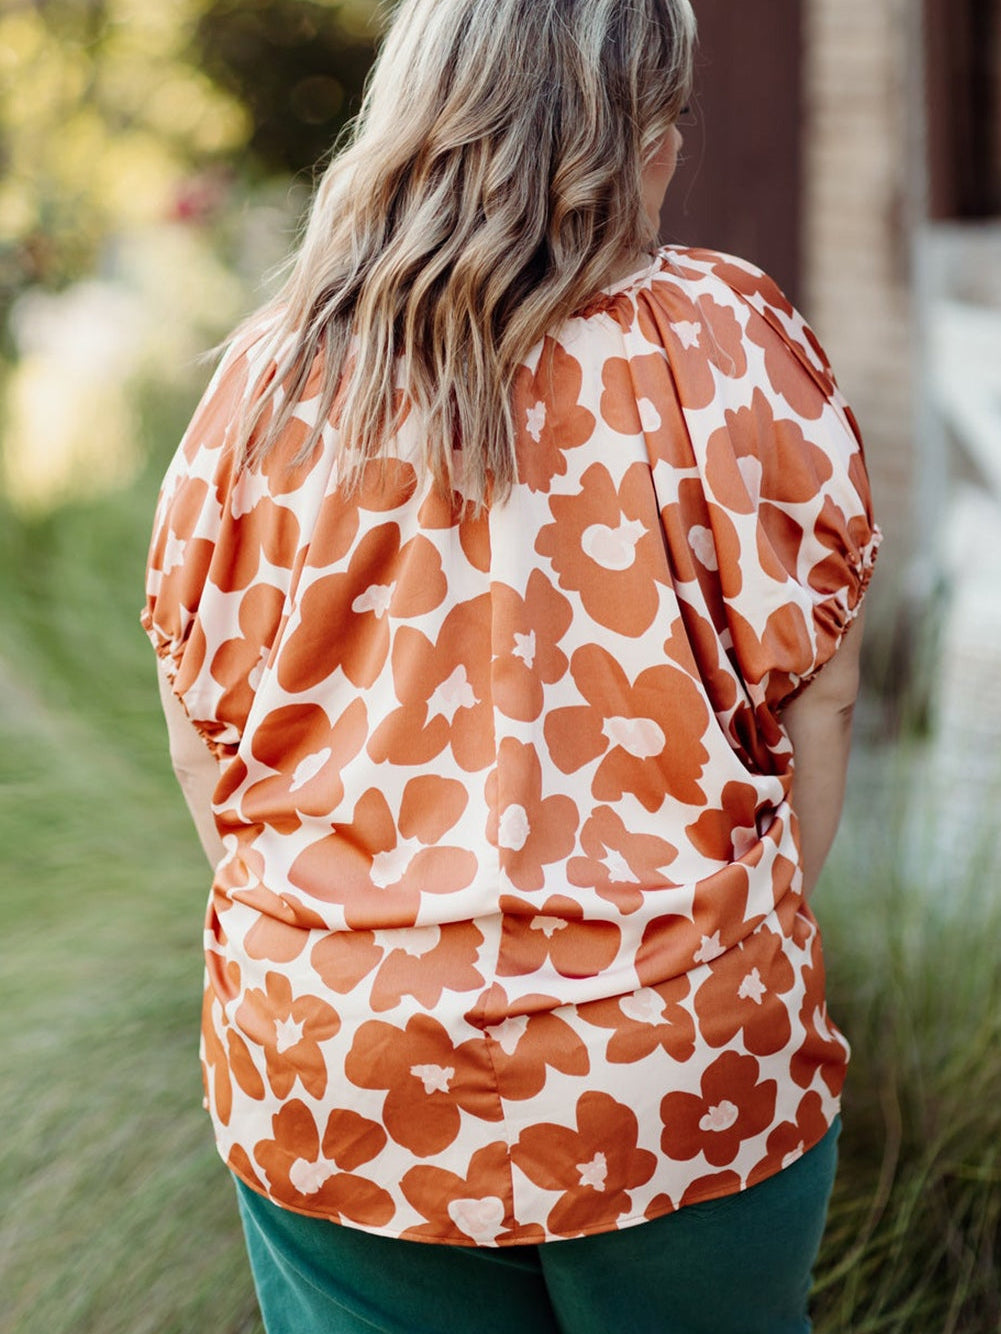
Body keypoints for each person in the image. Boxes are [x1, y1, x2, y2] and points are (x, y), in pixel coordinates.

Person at [143, 0, 880, 1329]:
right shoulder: (728, 340)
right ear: (636, 133)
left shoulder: (271, 374)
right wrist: (701, 962)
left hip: (339, 1063)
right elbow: (816, 685)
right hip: (671, 1054)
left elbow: (207, 716)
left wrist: (350, 958)